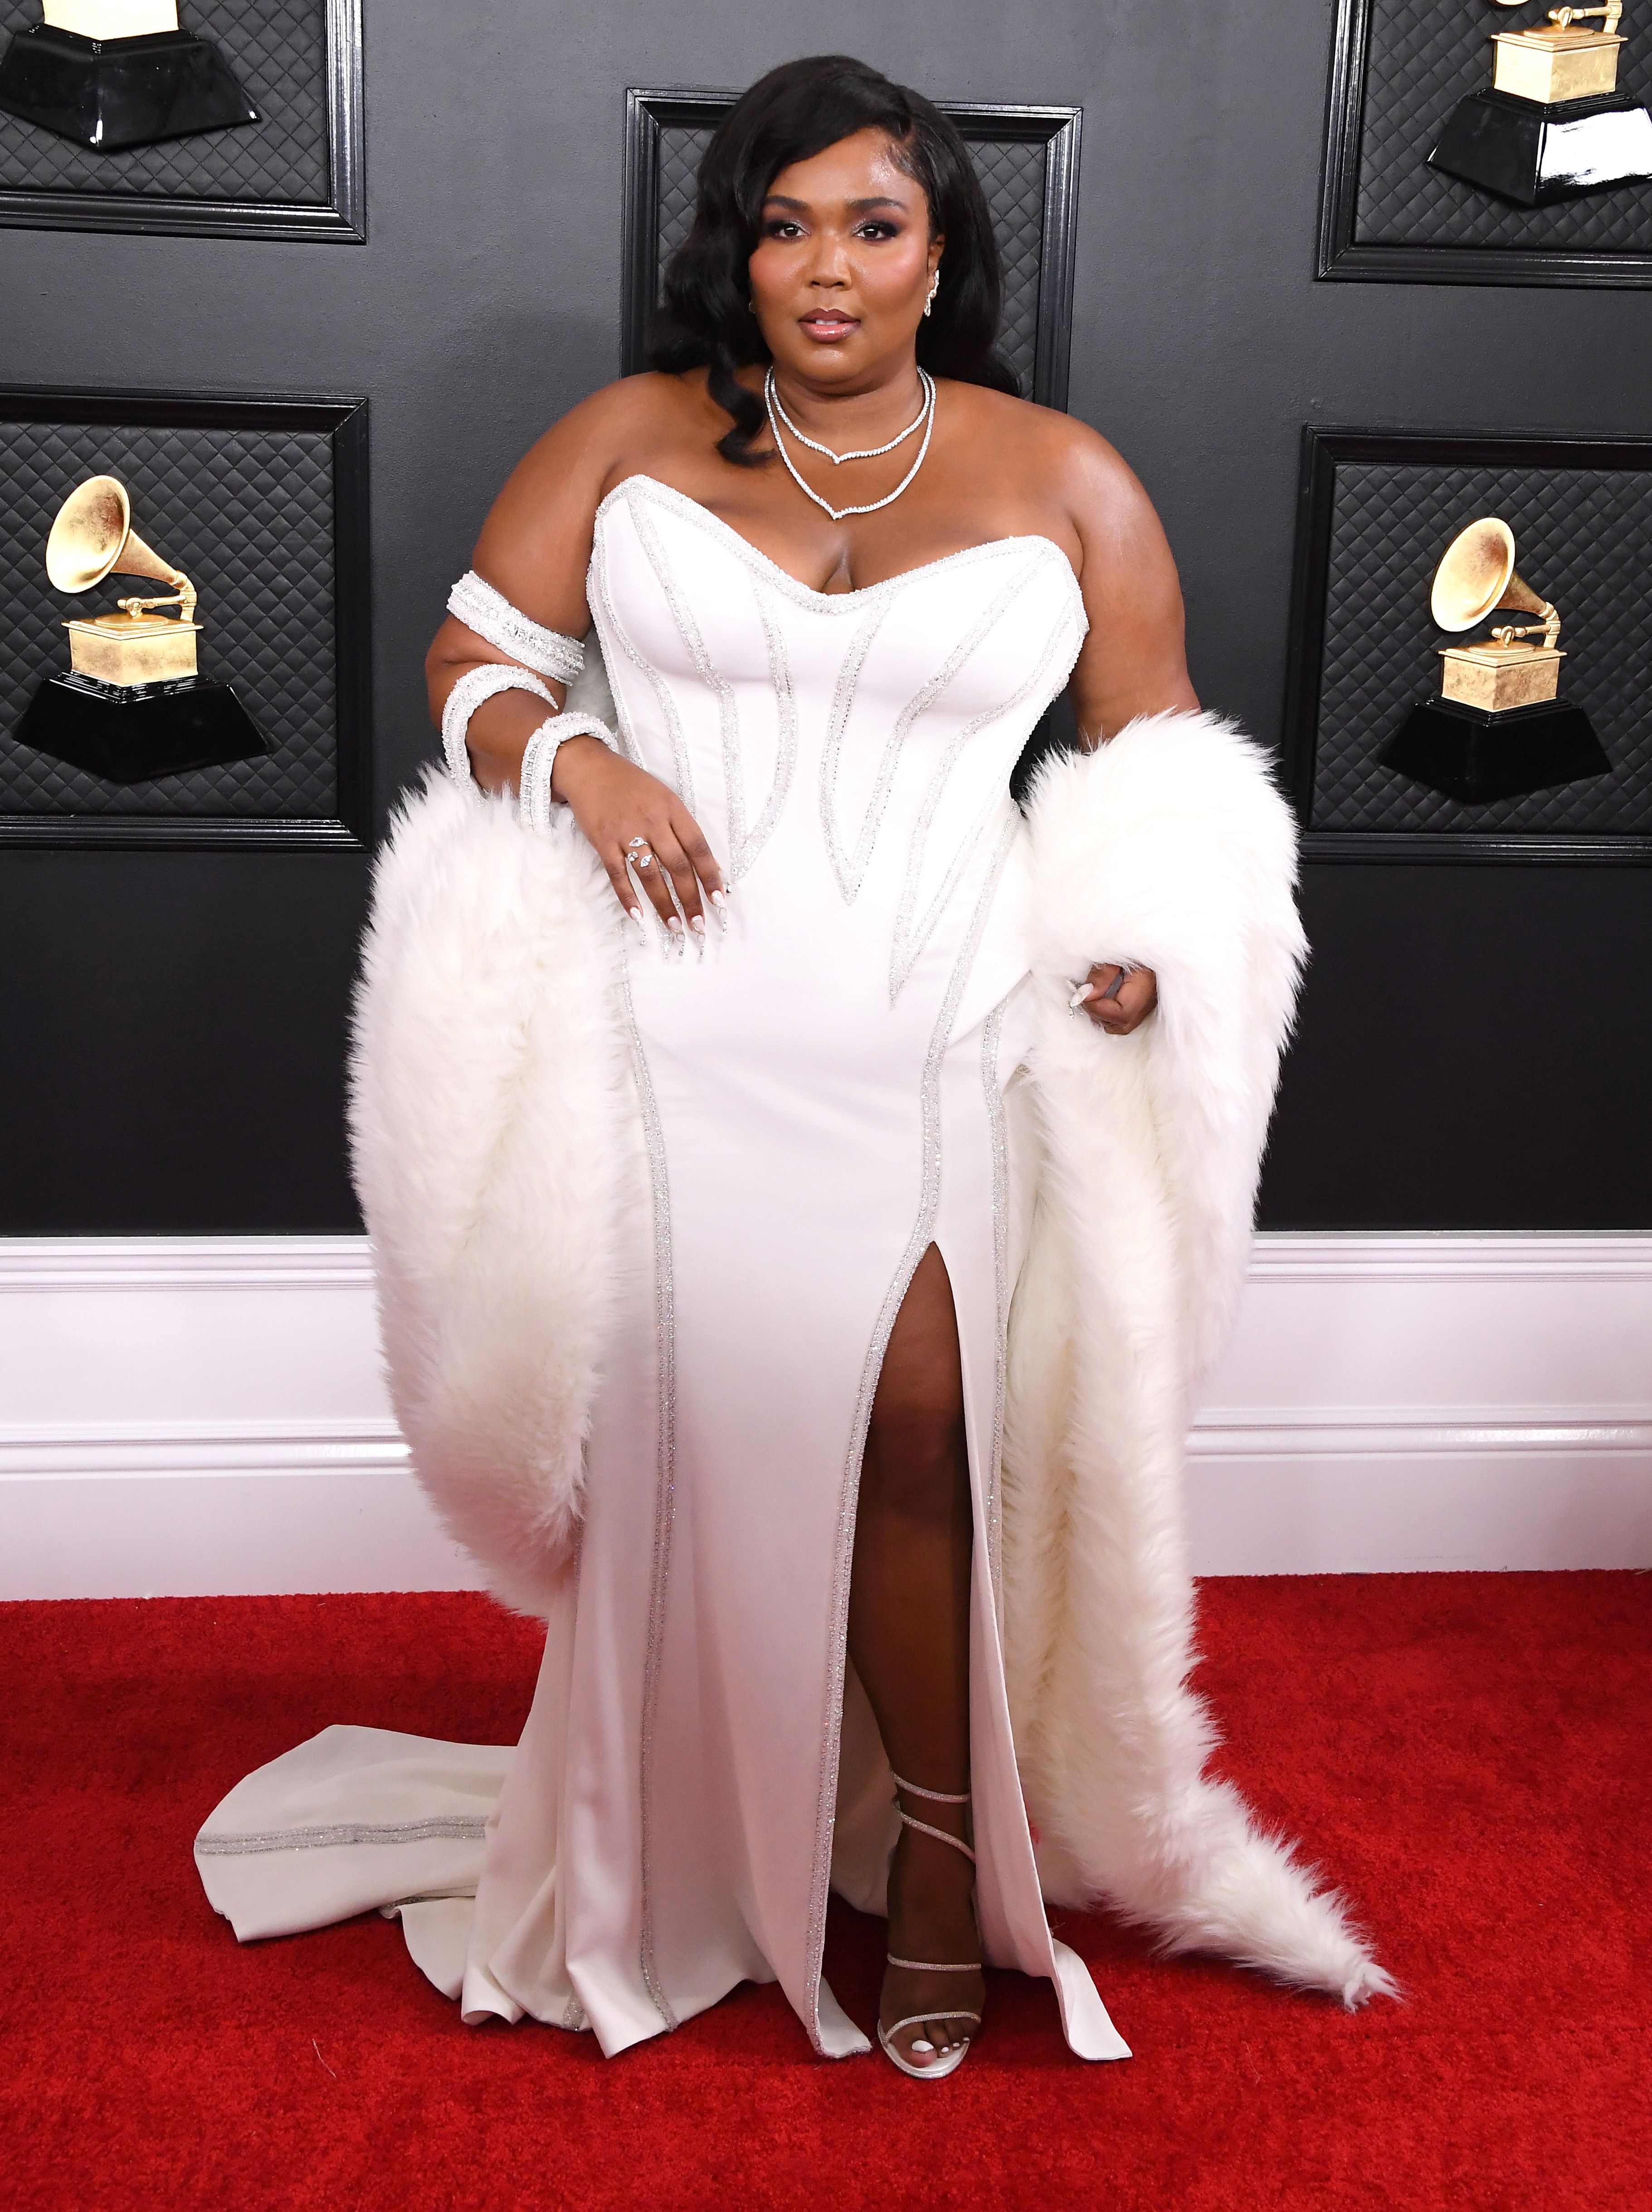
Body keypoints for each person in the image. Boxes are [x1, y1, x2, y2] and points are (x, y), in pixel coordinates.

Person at [195, 54, 1390, 2076]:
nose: (822, 268)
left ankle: (933, 1855)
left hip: (931, 1027)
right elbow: (474, 658)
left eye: (871, 223)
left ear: (941, 251)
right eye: (780, 223)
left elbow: (1167, 767)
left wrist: (1140, 944)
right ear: (729, 248)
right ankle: (663, 1835)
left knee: (915, 1440)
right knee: (685, 1442)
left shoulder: (1062, 476)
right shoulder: (633, 436)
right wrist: (577, 755)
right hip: (672, 1038)